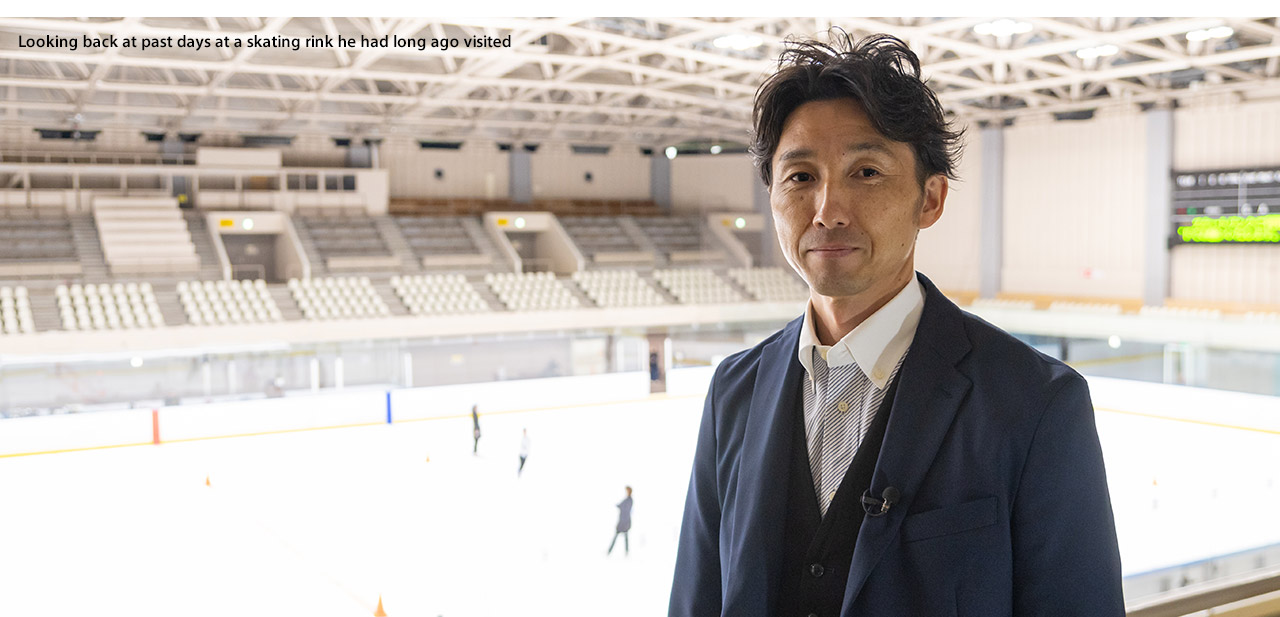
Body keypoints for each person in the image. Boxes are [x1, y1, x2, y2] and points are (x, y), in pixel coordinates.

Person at [668, 32, 1124, 617]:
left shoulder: (1036, 404)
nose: (827, 210)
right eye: (800, 177)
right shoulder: (733, 391)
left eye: (866, 172)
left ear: (930, 199)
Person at [607, 486, 633, 557]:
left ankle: (625, 552)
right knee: (620, 537)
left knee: (624, 537)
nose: (626, 492)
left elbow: (625, 508)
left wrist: (620, 507)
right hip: (622, 522)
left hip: (625, 522)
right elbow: (620, 505)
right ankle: (610, 551)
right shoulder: (627, 499)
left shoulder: (629, 500)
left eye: (627, 491)